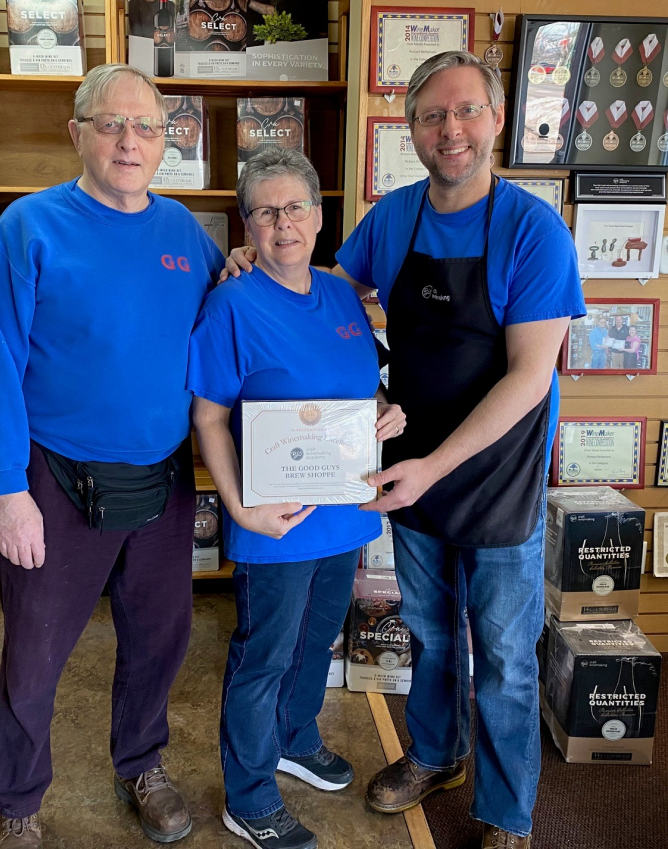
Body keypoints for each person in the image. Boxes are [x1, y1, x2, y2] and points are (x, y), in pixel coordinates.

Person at [225, 51, 585, 849]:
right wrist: (260, 260)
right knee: (428, 630)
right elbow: (328, 295)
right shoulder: (395, 219)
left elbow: (529, 378)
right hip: (410, 468)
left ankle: (506, 814)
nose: (449, 130)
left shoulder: (533, 229)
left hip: (499, 478)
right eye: (431, 116)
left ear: (495, 120)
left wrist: (431, 463)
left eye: (464, 112)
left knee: (503, 655)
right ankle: (434, 754)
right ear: (412, 129)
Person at [0, 63, 224, 849]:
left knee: (160, 641)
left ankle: (140, 764)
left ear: (165, 141)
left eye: (146, 126)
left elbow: (235, 335)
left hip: (163, 481)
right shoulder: (30, 227)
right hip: (54, 484)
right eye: (111, 124)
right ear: (76, 133)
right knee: (34, 659)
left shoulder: (187, 234)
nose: (129, 140)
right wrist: (7, 491)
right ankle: (17, 805)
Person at [190, 147, 406, 849]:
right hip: (273, 523)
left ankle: (295, 736)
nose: (282, 222)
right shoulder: (230, 305)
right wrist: (239, 508)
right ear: (247, 224)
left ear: (318, 215)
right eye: (265, 210)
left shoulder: (343, 296)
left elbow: (360, 389)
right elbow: (210, 418)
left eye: (295, 207)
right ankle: (249, 797)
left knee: (316, 642)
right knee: (265, 655)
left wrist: (385, 412)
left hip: (343, 517)